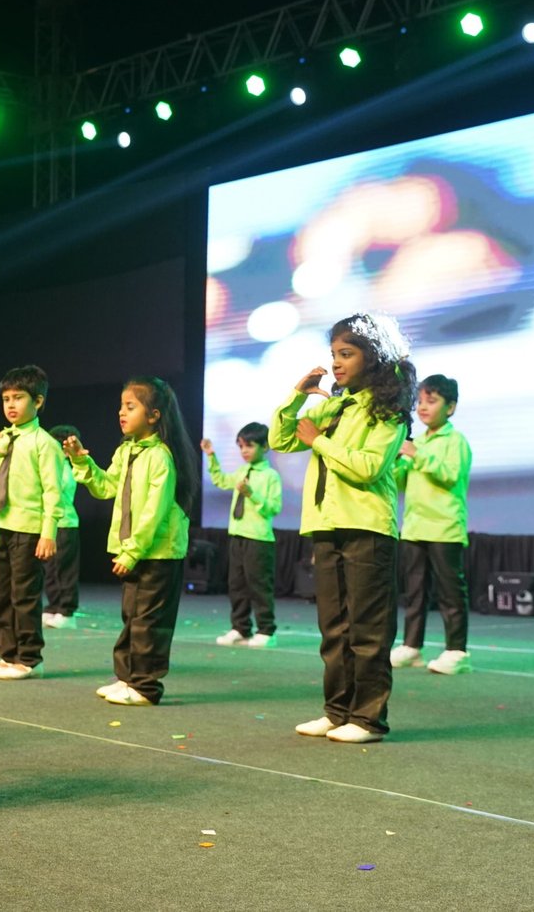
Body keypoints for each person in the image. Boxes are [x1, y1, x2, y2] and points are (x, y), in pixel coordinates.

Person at [270, 314, 414, 745]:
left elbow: (369, 467)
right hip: (325, 524)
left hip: (367, 526)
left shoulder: (387, 410)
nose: (336, 363)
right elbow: (281, 440)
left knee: (368, 630)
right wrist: (297, 398)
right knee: (334, 628)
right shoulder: (334, 405)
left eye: (346, 354)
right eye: (334, 354)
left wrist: (319, 441)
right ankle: (337, 712)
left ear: (373, 357)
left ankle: (368, 719)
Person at [61, 376, 196, 707]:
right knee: (132, 617)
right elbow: (106, 487)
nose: (121, 412)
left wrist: (132, 551)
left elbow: (155, 512)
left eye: (130, 406)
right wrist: (81, 460)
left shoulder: (161, 456)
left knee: (150, 622)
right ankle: (127, 677)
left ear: (154, 415)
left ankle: (146, 686)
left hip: (158, 552)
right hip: (135, 550)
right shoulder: (127, 450)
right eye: (121, 406)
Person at [0, 365, 66, 681]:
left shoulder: (45, 443)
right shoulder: (1, 440)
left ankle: (29, 659)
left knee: (24, 595)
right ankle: (7, 655)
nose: (11, 405)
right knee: (0, 594)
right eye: (6, 399)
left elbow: (53, 492)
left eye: (18, 397)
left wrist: (48, 533)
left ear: (38, 401)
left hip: (27, 529)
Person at [392, 375, 474, 675]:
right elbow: (400, 483)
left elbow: (451, 475)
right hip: (414, 527)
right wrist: (397, 461)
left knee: (450, 593)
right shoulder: (417, 441)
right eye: (420, 401)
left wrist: (417, 454)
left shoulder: (455, 441)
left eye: (432, 401)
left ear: (450, 407)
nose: (423, 407)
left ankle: (457, 651)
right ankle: (412, 646)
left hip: (444, 527)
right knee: (415, 592)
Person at [203, 422, 283, 648]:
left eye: (249, 445)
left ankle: (267, 630)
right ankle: (240, 627)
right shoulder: (241, 471)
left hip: (259, 539)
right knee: (236, 585)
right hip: (237, 535)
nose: (244, 451)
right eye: (241, 446)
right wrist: (211, 456)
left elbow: (274, 508)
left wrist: (252, 494)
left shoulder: (271, 476)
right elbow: (220, 480)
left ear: (265, 446)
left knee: (259, 586)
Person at [43, 424, 83, 629]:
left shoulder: (65, 468)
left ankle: (67, 611)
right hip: (49, 524)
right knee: (50, 569)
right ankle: (53, 606)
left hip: (65, 523)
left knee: (64, 569)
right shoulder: (53, 466)